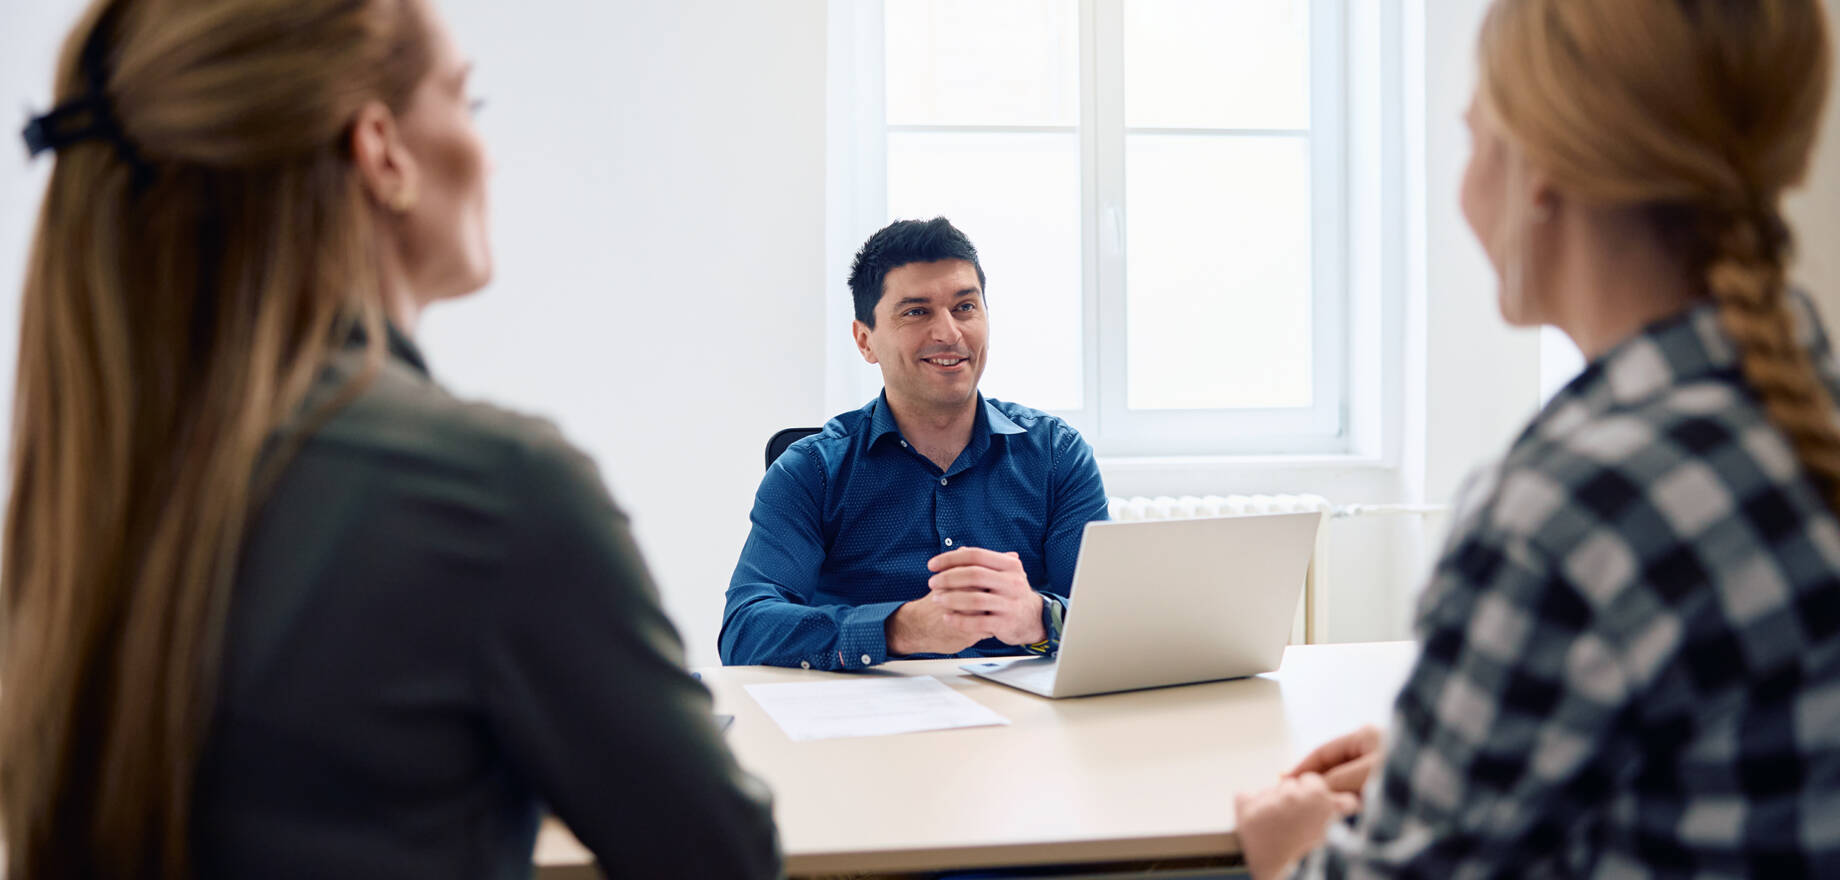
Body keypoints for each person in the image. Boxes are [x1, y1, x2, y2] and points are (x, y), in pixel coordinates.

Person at [0, 0, 778, 877]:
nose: (485, 150)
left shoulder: (82, 487)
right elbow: (721, 862)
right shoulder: (496, 494)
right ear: (383, 152)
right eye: (466, 103)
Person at [1232, 1, 1840, 876]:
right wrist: (1447, 766)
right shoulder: (1799, 406)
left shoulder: (1566, 508)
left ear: (1542, 168)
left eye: (1474, 137)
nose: (1466, 176)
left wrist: (1292, 850)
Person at [721, 218, 1109, 670]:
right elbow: (745, 631)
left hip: (1025, 726)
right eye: (916, 312)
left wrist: (1039, 619)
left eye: (965, 307)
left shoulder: (1056, 455)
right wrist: (900, 628)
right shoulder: (812, 470)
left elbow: (1113, 620)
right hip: (869, 729)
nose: (949, 333)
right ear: (865, 341)